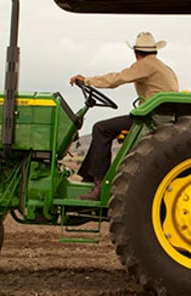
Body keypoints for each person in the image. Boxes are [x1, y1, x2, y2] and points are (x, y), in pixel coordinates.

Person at [70, 31, 179, 200]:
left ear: (136, 53)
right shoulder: (164, 68)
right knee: (104, 128)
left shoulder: (145, 65)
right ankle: (90, 177)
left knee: (101, 128)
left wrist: (87, 81)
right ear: (155, 51)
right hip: (160, 117)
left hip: (150, 119)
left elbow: (117, 79)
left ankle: (98, 184)